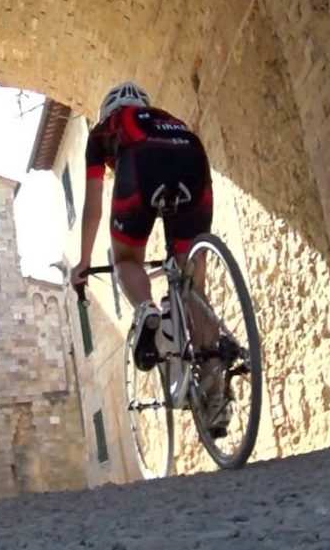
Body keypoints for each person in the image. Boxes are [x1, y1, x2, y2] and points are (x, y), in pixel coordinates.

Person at [68, 82, 231, 436]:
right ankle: (215, 388)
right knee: (193, 289)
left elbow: (93, 207)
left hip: (141, 167)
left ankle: (147, 311)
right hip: (192, 159)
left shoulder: (103, 132)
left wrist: (83, 262)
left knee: (126, 259)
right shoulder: (167, 118)